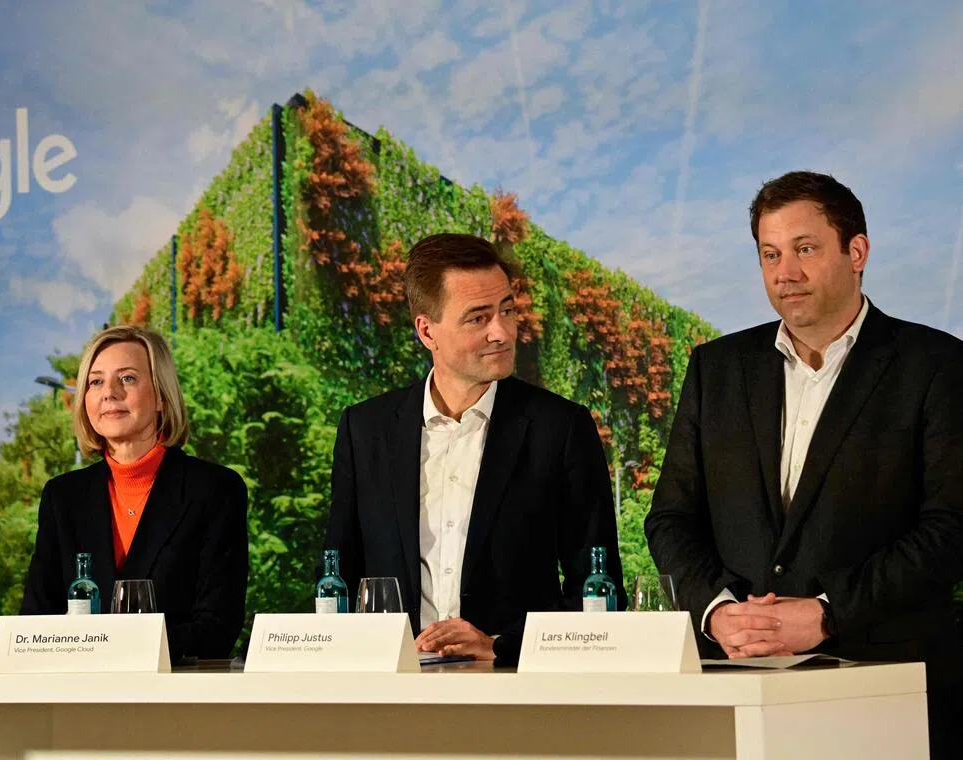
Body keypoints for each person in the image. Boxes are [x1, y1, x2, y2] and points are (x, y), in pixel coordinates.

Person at [645, 171, 963, 757]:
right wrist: (718, 613)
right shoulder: (717, 369)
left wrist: (827, 613)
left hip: (884, 687)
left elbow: (950, 528)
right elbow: (670, 518)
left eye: (805, 249)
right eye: (770, 254)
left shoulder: (939, 365)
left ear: (857, 251)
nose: (784, 272)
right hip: (733, 694)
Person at [325, 233, 624, 663]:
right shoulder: (364, 429)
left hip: (516, 693)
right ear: (427, 331)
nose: (501, 332)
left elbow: (598, 588)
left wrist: (500, 647)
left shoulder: (561, 428)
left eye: (507, 310)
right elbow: (336, 575)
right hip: (389, 694)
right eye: (477, 318)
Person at [21, 325, 248, 661]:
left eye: (127, 378)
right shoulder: (62, 497)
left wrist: (106, 648)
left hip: (174, 701)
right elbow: (36, 624)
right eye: (96, 381)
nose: (109, 393)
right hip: (77, 702)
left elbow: (217, 629)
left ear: (160, 396)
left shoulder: (215, 490)